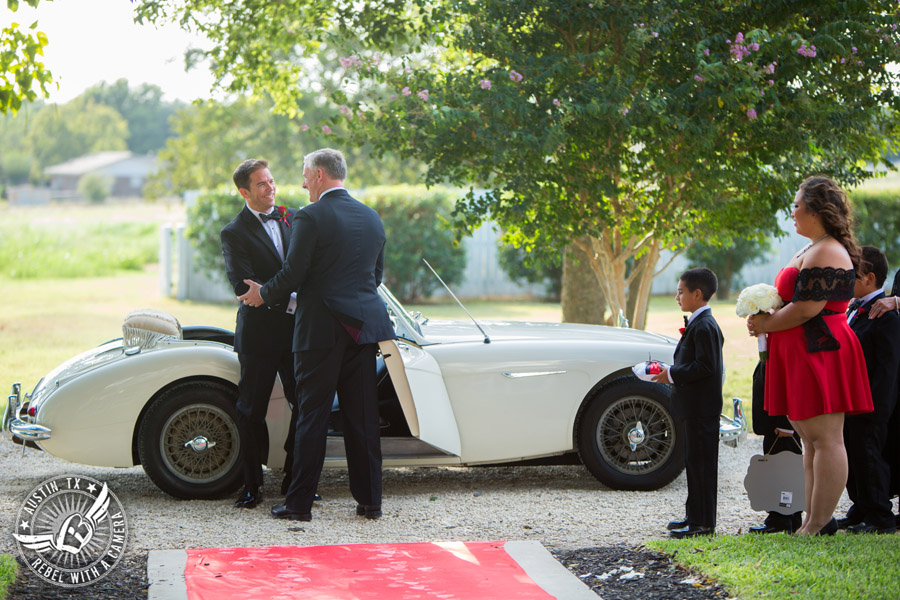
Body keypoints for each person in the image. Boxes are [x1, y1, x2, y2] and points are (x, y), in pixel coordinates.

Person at [238, 148, 395, 522]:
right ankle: (370, 502)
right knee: (362, 419)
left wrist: (263, 293)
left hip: (321, 333)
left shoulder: (311, 216)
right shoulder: (371, 216)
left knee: (312, 416)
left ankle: (299, 504)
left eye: (306, 175)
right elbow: (375, 277)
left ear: (320, 175)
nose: (303, 182)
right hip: (363, 332)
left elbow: (293, 274)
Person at [747, 175, 873, 536]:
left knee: (826, 439)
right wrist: (764, 319)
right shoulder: (812, 246)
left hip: (822, 351)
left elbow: (806, 309)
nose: (793, 211)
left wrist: (767, 324)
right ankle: (812, 519)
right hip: (801, 351)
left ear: (817, 209)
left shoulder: (827, 251)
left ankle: (818, 522)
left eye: (798, 204)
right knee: (809, 440)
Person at [221, 159, 298, 509]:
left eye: (272, 181)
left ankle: (297, 479)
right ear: (244, 192)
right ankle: (252, 486)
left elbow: (303, 270)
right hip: (258, 335)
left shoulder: (292, 217)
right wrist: (292, 295)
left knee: (307, 405)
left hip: (299, 333)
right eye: (262, 184)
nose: (271, 188)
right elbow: (242, 284)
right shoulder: (233, 232)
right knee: (251, 410)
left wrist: (275, 292)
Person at [652, 267, 724, 539]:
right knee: (694, 464)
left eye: (681, 292)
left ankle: (704, 523)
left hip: (702, 409)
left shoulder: (705, 325)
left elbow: (705, 366)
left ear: (697, 294)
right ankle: (693, 516)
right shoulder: (699, 323)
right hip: (693, 408)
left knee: (703, 466)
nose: (676, 297)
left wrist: (671, 373)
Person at [839, 246, 900, 534]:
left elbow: (888, 367)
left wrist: (878, 406)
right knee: (852, 452)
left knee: (869, 454)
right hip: (850, 398)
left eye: (853, 273)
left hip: (872, 401)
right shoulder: (854, 309)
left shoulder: (886, 316)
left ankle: (880, 514)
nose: (846, 277)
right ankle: (860, 505)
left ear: (870, 277)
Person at [747, 360, 803, 534]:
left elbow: (790, 380)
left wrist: (786, 423)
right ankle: (787, 515)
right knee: (776, 469)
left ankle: (783, 517)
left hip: (781, 425)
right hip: (772, 423)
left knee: (784, 469)